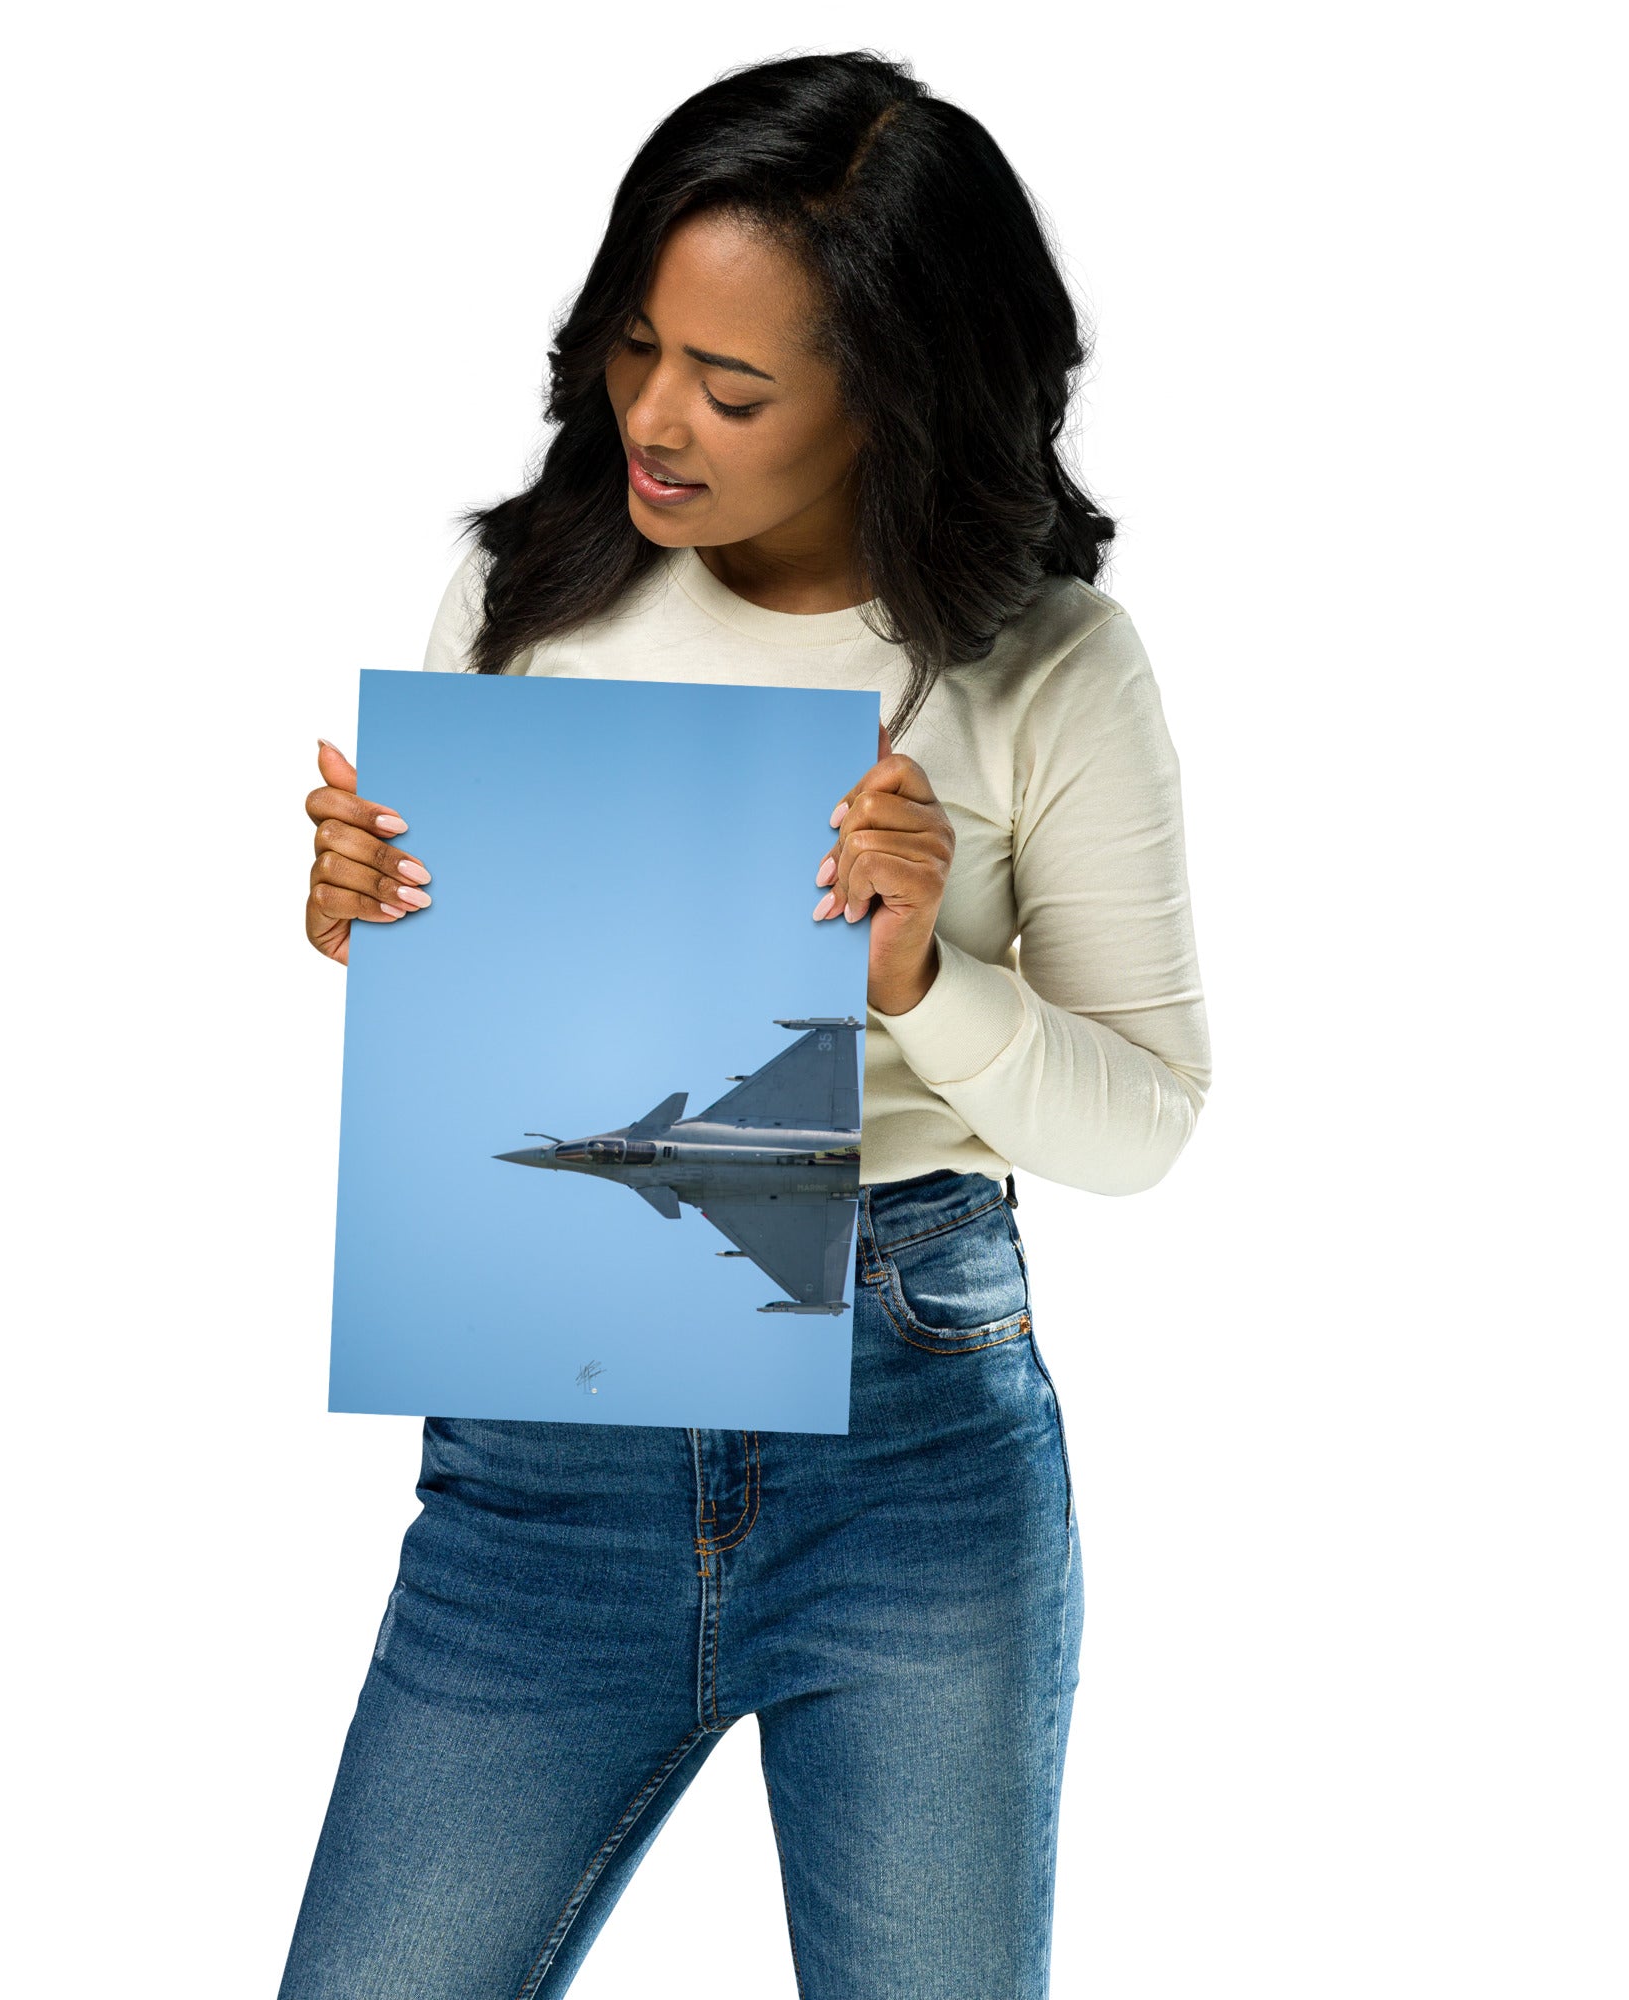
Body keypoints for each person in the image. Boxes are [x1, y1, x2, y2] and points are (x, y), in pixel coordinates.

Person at [284, 49, 1211, 2000]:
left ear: (893, 387)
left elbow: (1142, 1125)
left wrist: (917, 978)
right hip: (539, 1457)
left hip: (911, 1446)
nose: (652, 418)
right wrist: (361, 926)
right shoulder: (523, 590)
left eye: (731, 384)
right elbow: (483, 1046)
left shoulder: (1043, 663)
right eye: (634, 348)